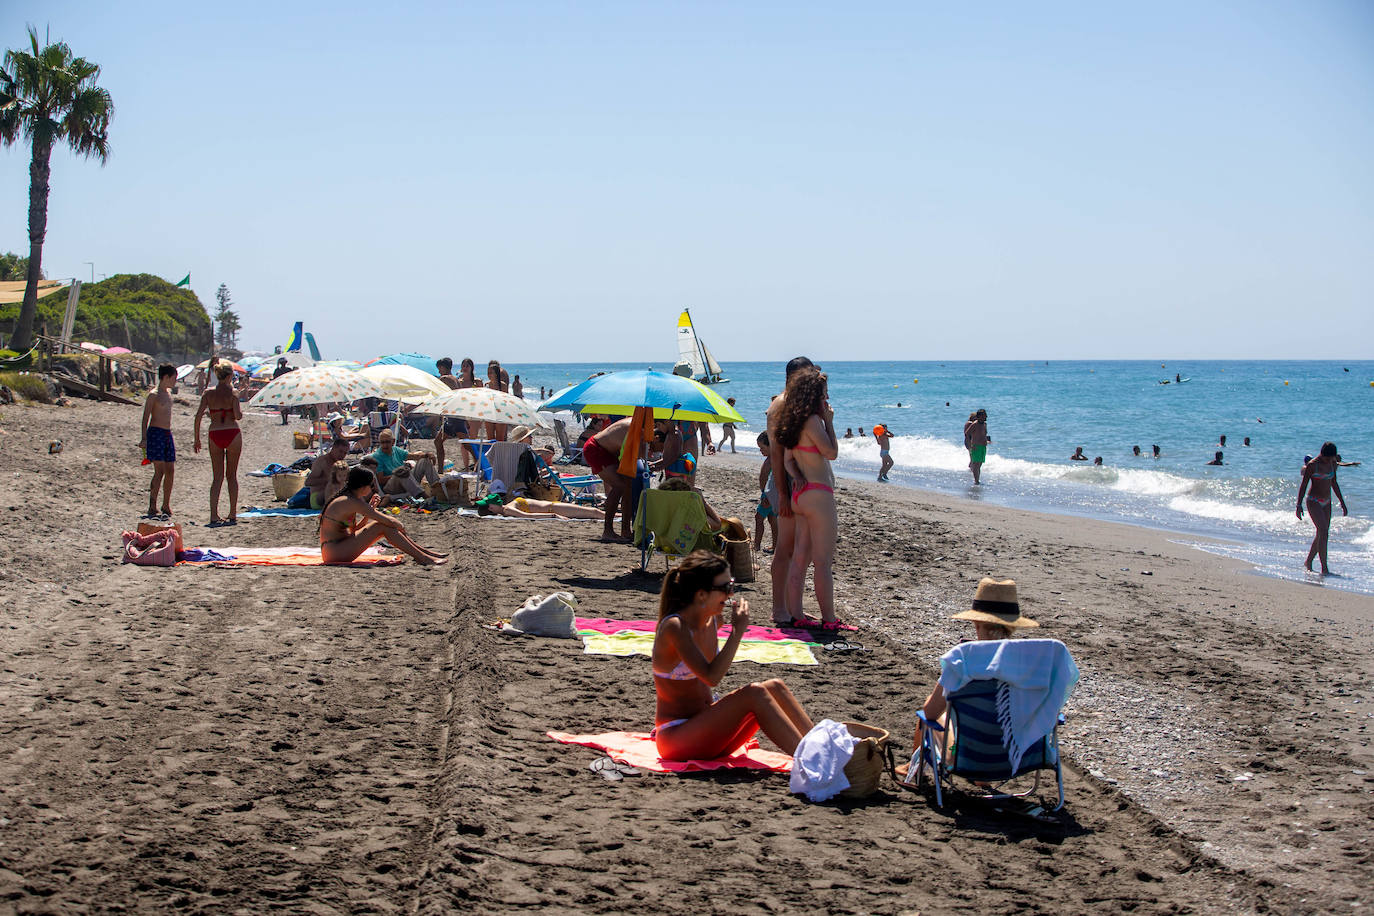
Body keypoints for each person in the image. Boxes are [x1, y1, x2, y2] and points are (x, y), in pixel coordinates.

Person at [651, 551, 815, 760]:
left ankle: (822, 748)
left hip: (706, 729)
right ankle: (810, 760)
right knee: (754, 693)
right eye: (725, 588)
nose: (730, 594)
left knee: (775, 686)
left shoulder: (712, 620)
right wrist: (737, 632)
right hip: (676, 737)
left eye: (732, 585)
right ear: (701, 594)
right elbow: (711, 678)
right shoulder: (676, 627)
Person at [908, 577, 1040, 755]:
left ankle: (912, 769)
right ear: (1013, 626)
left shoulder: (963, 659)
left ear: (976, 625)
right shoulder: (1034, 662)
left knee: (930, 708)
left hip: (968, 756)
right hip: (1021, 756)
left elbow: (931, 713)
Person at [778, 366, 842, 629]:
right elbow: (831, 453)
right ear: (815, 396)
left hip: (800, 495)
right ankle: (829, 619)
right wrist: (829, 421)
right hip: (818, 495)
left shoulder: (793, 422)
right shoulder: (813, 422)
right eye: (824, 395)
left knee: (800, 559)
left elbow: (787, 460)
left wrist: (797, 476)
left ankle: (797, 615)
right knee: (823, 561)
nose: (827, 400)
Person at [767, 356, 816, 626]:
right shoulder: (781, 405)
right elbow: (776, 453)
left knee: (801, 548)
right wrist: (783, 494)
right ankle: (779, 609)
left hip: (798, 482)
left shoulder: (797, 404)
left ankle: (792, 606)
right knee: (785, 547)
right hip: (784, 481)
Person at [319, 468, 447, 566]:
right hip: (334, 552)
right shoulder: (351, 501)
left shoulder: (350, 499)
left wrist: (369, 512)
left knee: (382, 526)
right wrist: (398, 525)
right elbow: (388, 521)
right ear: (363, 486)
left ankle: (424, 554)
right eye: (372, 485)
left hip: (334, 549)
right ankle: (422, 556)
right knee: (383, 526)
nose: (373, 489)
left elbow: (352, 531)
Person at [194, 363, 244, 526]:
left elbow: (198, 416)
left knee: (217, 477)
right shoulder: (233, 393)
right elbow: (237, 416)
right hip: (232, 432)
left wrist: (197, 438)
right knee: (232, 476)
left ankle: (214, 515)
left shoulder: (208, 393)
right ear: (230, 376)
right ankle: (232, 513)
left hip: (215, 432)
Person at [582, 415, 645, 541]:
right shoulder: (635, 429)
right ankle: (608, 531)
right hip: (596, 448)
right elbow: (632, 456)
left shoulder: (638, 425)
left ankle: (625, 531)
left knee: (627, 487)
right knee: (619, 486)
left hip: (610, 451)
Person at [1297, 443, 1348, 575]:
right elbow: (1303, 486)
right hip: (1313, 501)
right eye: (1326, 458)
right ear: (1322, 454)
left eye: (1331, 458)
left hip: (1327, 502)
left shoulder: (1333, 464)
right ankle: (1324, 568)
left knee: (1322, 533)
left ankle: (1308, 561)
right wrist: (1298, 505)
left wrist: (1342, 503)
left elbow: (1334, 483)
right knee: (1323, 531)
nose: (1328, 460)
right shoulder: (1313, 465)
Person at [138, 364, 178, 518]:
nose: (175, 381)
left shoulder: (168, 394)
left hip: (167, 433)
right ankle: (152, 505)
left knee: (170, 470)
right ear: (166, 377)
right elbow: (145, 417)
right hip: (155, 433)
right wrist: (144, 438)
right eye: (174, 378)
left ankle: (166, 504)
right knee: (159, 471)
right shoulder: (154, 395)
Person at [432, 357, 470, 472]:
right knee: (466, 444)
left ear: (443, 367)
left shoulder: (445, 378)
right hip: (457, 415)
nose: (439, 371)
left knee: (439, 441)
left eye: (439, 368)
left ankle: (440, 469)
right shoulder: (456, 379)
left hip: (453, 417)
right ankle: (480, 464)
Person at [294, 437, 352, 509]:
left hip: (335, 495)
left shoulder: (340, 463)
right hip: (318, 497)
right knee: (332, 486)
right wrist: (329, 479)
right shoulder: (322, 461)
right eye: (340, 451)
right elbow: (308, 482)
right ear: (333, 448)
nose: (342, 455)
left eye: (345, 453)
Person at [753, 431, 777, 553]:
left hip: (768, 494)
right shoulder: (774, 458)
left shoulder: (772, 460)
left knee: (758, 518)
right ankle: (775, 545)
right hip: (772, 494)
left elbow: (766, 478)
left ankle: (756, 544)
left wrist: (765, 494)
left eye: (762, 448)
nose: (761, 451)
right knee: (772, 519)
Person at [492, 496, 605, 520]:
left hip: (553, 507)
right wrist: (553, 515)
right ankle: (622, 516)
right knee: (594, 512)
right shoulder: (508, 509)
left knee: (594, 512)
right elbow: (528, 516)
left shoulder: (507, 508)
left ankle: (622, 516)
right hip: (553, 509)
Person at [964, 409, 990, 484]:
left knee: (980, 463)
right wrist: (970, 445)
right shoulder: (975, 424)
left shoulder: (985, 424)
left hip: (983, 446)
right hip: (976, 446)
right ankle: (976, 481)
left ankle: (977, 479)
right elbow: (967, 434)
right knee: (976, 464)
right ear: (979, 416)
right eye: (985, 415)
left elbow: (984, 434)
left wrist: (987, 441)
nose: (986, 416)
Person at [485, 360, 508, 441]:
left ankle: (499, 453)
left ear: (496, 373)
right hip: (489, 412)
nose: (489, 374)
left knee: (500, 438)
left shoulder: (503, 385)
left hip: (500, 412)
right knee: (490, 438)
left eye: (491, 372)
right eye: (488, 372)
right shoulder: (486, 385)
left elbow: (506, 401)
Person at [272, 358, 294, 424]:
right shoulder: (289, 370)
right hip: (287, 389)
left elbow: (274, 379)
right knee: (286, 404)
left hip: (280, 389)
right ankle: (285, 419)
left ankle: (284, 419)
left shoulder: (277, 370)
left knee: (282, 404)